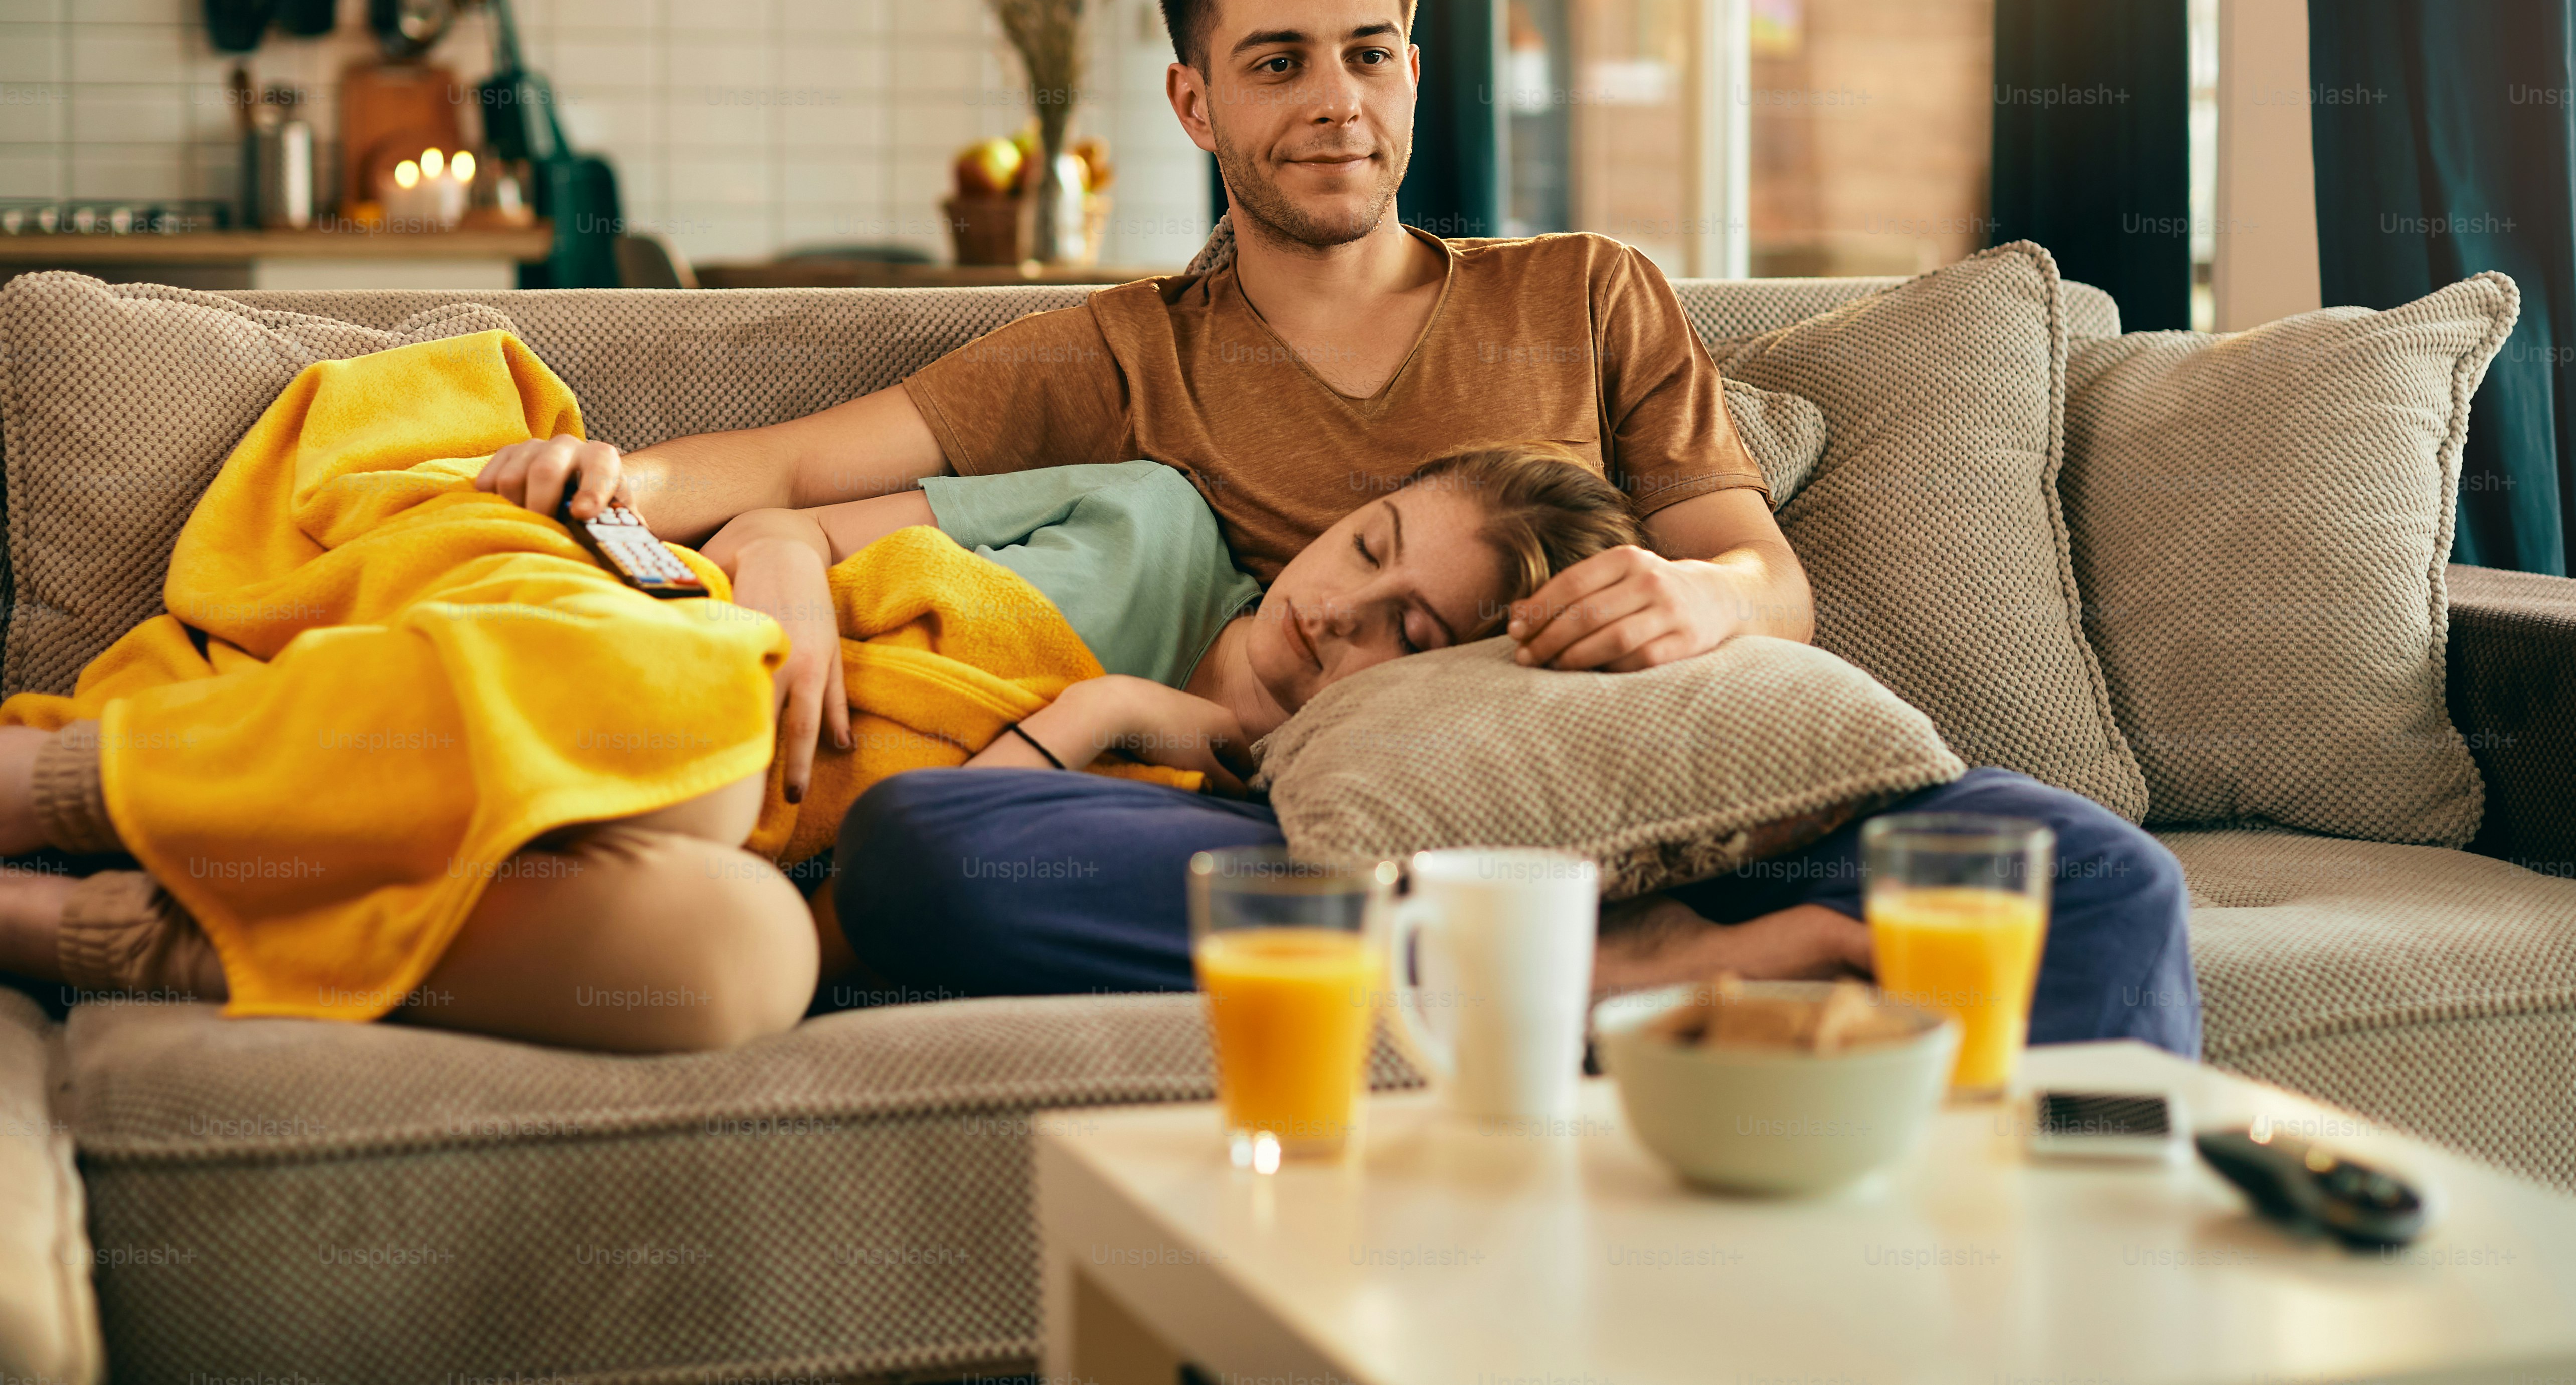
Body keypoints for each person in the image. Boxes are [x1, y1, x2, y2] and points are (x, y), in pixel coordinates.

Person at [473, 0, 2199, 1055]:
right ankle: (1612, 988)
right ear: (1193, 103)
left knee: (2100, 881)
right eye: (1276, 63)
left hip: (1664, 798)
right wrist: (598, 465)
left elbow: (1770, 577)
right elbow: (772, 461)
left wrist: (1694, 590)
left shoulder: (1587, 290)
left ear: (1412, 70)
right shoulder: (1120, 347)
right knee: (941, 862)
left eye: (1366, 54)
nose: (1336, 103)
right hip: (1332, 846)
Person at [0, 435, 1640, 1052]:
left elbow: (929, 849)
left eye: (1404, 637)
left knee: (742, 961)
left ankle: (112, 932)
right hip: (644, 657)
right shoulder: (1147, 513)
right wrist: (785, 592)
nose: (1333, 618)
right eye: (1363, 548)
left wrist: (1122, 715)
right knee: (714, 734)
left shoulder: (1261, 807)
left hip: (722, 843)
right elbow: (786, 518)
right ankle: (61, 788)